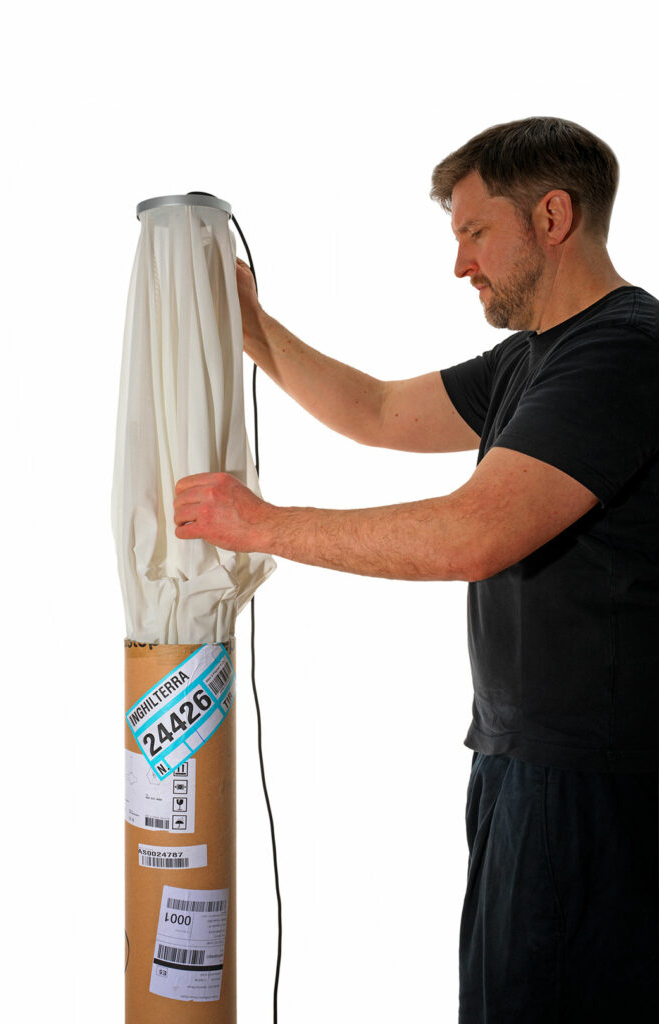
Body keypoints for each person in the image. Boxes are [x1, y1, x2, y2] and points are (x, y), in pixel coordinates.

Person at [172, 116, 658, 1021]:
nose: (460, 263)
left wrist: (261, 525)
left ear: (553, 216)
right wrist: (253, 330)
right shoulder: (535, 358)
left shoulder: (622, 352)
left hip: (594, 780)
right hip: (524, 761)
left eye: (476, 232)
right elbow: (382, 411)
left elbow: (471, 535)